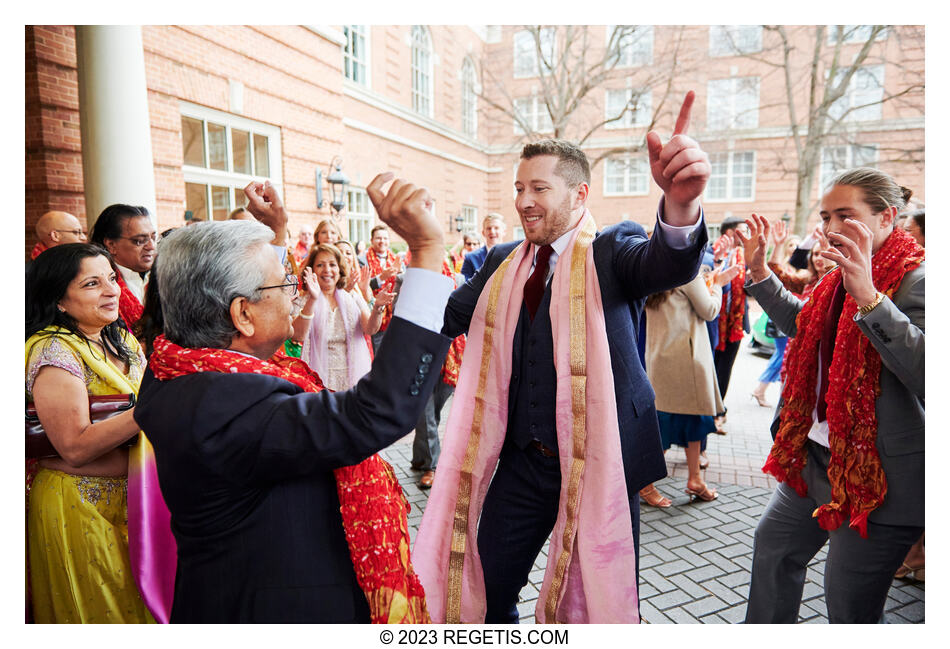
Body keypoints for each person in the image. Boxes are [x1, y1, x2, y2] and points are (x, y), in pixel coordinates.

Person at [412, 92, 710, 624]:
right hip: (525, 463)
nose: (524, 200)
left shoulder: (613, 248)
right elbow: (450, 314)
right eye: (519, 189)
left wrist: (681, 207)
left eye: (539, 188)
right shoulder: (504, 261)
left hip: (605, 462)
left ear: (580, 194)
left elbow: (666, 262)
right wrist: (421, 252)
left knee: (602, 601)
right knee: (491, 587)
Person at [133, 172, 456, 623]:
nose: (295, 293)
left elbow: (241, 297)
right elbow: (378, 412)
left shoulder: (175, 364)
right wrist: (426, 252)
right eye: (284, 283)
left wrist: (273, 239)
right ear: (242, 314)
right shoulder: (225, 411)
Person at [739, 168, 924, 623]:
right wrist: (760, 271)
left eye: (846, 215)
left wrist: (870, 297)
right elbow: (805, 327)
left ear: (887, 218)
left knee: (848, 605)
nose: (831, 228)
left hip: (880, 480)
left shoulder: (918, 281)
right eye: (826, 216)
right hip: (815, 458)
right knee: (773, 553)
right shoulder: (836, 276)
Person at [25, 243, 175, 623]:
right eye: (92, 284)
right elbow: (73, 447)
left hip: (135, 502)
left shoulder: (119, 339)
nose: (111, 290)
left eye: (110, 278)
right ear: (58, 300)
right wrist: (149, 410)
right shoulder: (54, 351)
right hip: (78, 505)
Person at [639, 260, 739, 507]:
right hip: (687, 359)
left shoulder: (649, 273)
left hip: (658, 359)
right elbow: (710, 310)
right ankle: (644, 482)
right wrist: (717, 285)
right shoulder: (688, 274)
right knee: (680, 422)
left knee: (677, 420)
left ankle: (695, 479)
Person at [291, 243, 391, 391]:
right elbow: (298, 336)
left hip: (351, 377)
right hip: (317, 378)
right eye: (320, 265)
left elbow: (370, 329)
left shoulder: (352, 297)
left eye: (332, 264)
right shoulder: (303, 300)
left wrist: (377, 307)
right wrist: (312, 299)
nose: (327, 270)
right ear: (312, 270)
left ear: (340, 269)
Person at [709, 214, 749, 433]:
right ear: (730, 232)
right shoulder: (712, 252)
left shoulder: (745, 256)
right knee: (710, 368)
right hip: (714, 320)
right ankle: (705, 412)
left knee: (725, 369)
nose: (746, 234)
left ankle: (718, 412)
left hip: (735, 324)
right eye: (743, 230)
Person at [89, 204, 157, 328]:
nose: (151, 246)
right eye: (140, 241)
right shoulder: (96, 285)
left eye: (153, 238)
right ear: (111, 245)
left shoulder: (162, 275)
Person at [365, 224, 402, 351]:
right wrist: (382, 277)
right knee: (377, 353)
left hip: (394, 315)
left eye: (385, 238)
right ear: (372, 240)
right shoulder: (362, 259)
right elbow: (361, 287)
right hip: (373, 313)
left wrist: (400, 274)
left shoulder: (396, 260)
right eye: (378, 238)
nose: (382, 241)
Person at [460, 213, 507, 280]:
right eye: (488, 228)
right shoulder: (470, 258)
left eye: (496, 228)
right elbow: (465, 286)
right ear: (483, 232)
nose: (492, 231)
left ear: (504, 231)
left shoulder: (514, 255)